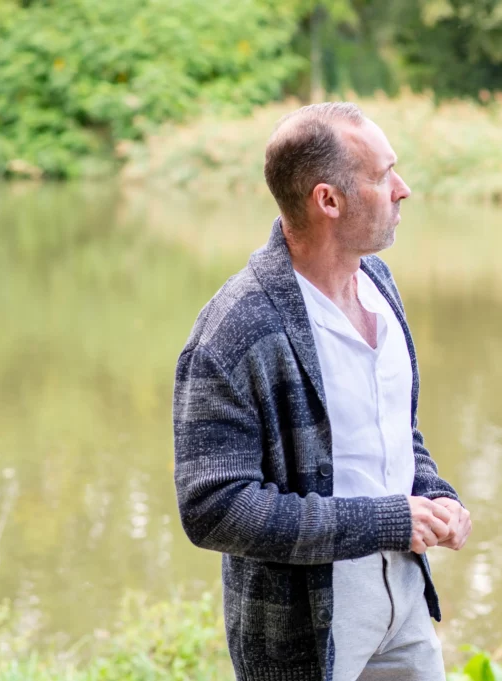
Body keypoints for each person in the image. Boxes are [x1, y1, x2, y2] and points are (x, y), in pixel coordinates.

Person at [173, 102, 471, 681]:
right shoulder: (234, 329)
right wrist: (386, 521)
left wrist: (433, 493)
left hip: (406, 595)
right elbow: (212, 510)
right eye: (383, 175)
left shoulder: (378, 281)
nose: (403, 189)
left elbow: (394, 429)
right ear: (328, 200)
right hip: (305, 619)